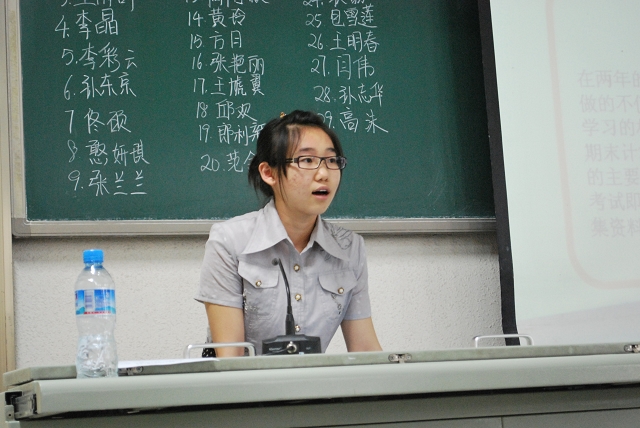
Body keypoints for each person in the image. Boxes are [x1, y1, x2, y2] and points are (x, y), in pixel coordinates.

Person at [195, 110, 382, 357]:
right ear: (269, 173)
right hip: (244, 381)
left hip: (312, 381)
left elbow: (365, 350)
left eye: (331, 160)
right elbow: (230, 358)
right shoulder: (230, 241)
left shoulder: (349, 248)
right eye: (307, 160)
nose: (324, 173)